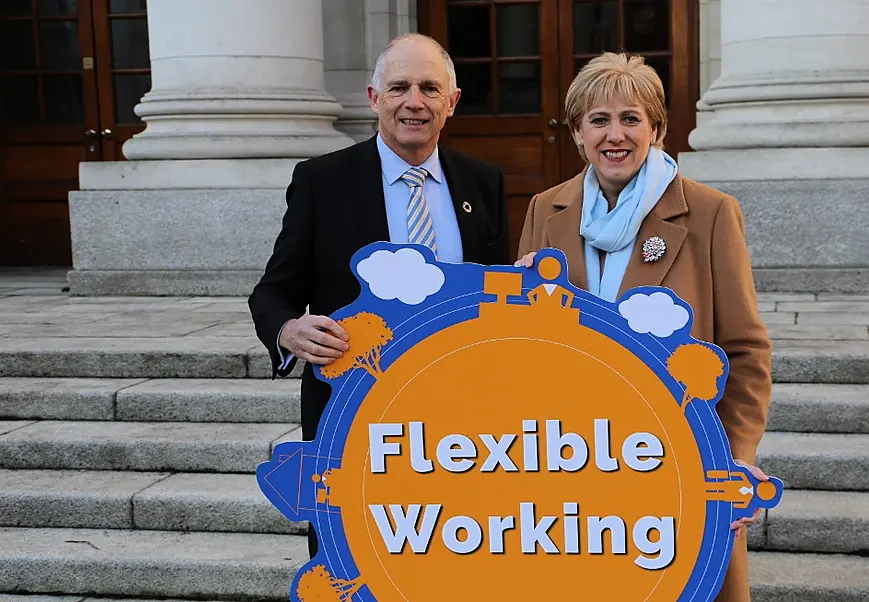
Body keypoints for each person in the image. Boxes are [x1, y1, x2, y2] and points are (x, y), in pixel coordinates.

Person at [515, 52, 772, 602]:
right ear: (578, 133)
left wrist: (737, 458)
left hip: (675, 457)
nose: (615, 135)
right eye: (598, 120)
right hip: (571, 463)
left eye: (630, 118)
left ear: (656, 129)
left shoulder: (709, 213)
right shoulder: (544, 210)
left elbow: (745, 351)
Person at [248, 33, 511, 557]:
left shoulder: (483, 183)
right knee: (354, 554)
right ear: (374, 98)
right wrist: (288, 330)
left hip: (461, 422)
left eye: (430, 88)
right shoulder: (323, 181)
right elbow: (273, 292)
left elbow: (496, 290)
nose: (415, 102)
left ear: (451, 103)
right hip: (353, 410)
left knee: (456, 551)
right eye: (400, 88)